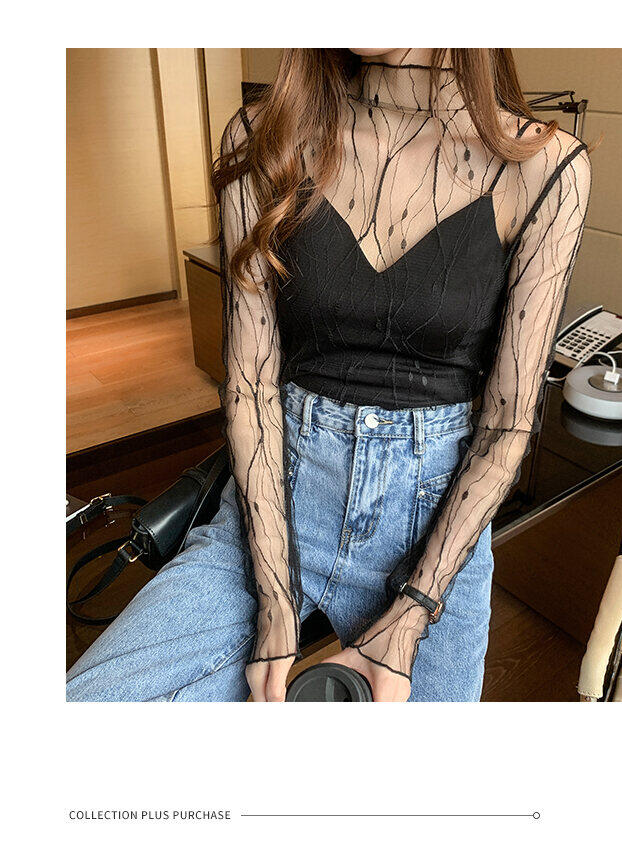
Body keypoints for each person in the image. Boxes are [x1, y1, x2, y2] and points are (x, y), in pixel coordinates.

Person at [67, 48, 592, 703]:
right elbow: (249, 386)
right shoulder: (264, 138)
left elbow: (508, 422)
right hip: (279, 500)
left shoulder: (544, 165)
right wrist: (274, 597)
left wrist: (411, 614)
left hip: (437, 528)